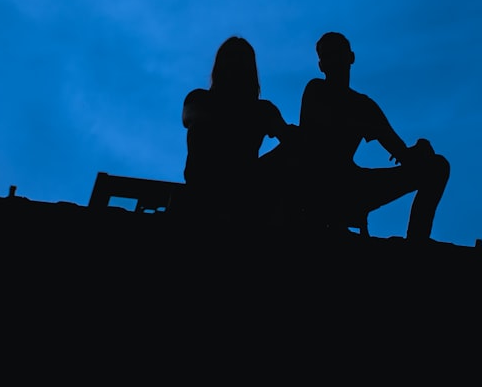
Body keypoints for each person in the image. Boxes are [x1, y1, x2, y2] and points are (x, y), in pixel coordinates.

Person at [298, 32, 450, 241]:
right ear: (321, 65)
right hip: (319, 187)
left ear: (350, 57)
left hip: (353, 185)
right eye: (327, 56)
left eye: (337, 53)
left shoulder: (364, 107)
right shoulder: (316, 90)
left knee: (437, 167)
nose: (333, 60)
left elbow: (402, 154)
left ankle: (416, 241)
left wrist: (421, 149)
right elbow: (310, 146)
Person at [181, 36, 297, 228]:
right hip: (209, 183)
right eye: (230, 60)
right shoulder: (199, 99)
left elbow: (290, 139)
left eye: (238, 62)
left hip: (242, 184)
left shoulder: (262, 110)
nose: (233, 68)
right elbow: (191, 118)